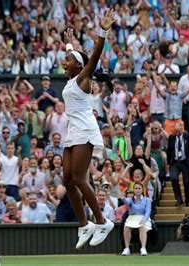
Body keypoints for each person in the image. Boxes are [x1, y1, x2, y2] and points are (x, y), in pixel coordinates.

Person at [60, 10, 116, 249]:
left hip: (85, 131)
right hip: (73, 132)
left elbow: (93, 56)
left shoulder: (84, 78)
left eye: (69, 60)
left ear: (79, 66)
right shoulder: (72, 79)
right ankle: (85, 225)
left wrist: (102, 31)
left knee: (78, 178)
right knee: (66, 180)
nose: (65, 61)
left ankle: (102, 221)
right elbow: (74, 57)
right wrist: (69, 44)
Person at [166, 121, 189, 206]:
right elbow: (169, 151)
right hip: (175, 162)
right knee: (173, 178)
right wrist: (168, 163)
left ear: (182, 129)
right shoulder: (171, 138)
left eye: (178, 131)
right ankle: (179, 199)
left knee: (186, 182)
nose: (176, 132)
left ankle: (188, 199)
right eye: (175, 131)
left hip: (185, 162)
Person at [120, 183, 152, 256]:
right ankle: (127, 248)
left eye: (139, 188)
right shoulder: (130, 199)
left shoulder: (147, 200)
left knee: (142, 227)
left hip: (143, 217)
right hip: (132, 218)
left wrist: (144, 219)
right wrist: (123, 198)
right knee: (127, 227)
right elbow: (127, 202)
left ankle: (143, 248)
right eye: (136, 188)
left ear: (142, 190)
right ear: (133, 190)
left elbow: (148, 211)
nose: (137, 190)